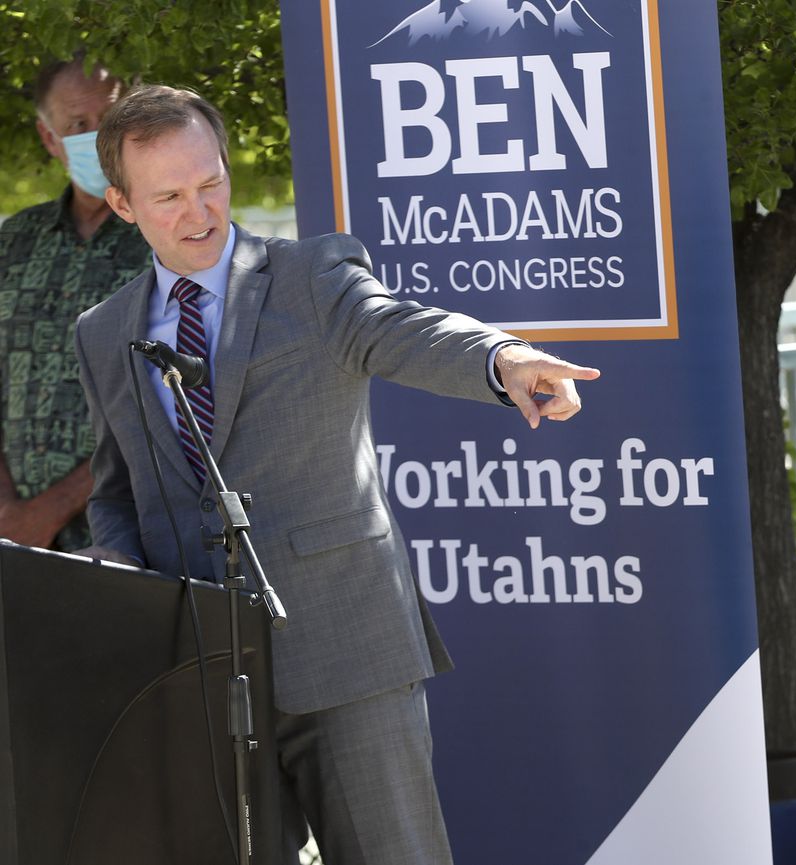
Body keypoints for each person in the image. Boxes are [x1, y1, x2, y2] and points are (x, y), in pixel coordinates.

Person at [75, 84, 600, 865]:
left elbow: (402, 326)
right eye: (171, 196)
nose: (200, 213)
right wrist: (120, 579)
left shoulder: (312, 277)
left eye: (212, 182)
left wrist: (503, 358)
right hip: (201, 676)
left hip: (346, 650)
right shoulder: (104, 331)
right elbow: (117, 492)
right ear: (121, 204)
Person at [0, 57, 150, 551]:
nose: (95, 137)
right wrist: (11, 515)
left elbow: (179, 403)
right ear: (50, 139)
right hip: (15, 545)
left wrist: (46, 511)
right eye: (77, 126)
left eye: (107, 120)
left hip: (131, 541)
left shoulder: (169, 241)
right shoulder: (13, 243)